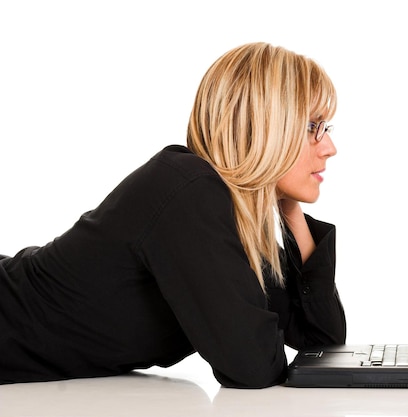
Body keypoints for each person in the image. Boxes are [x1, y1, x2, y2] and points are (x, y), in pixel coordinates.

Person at [0, 42, 346, 388]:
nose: (329, 147)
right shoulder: (190, 191)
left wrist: (288, 206)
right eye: (310, 126)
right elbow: (252, 366)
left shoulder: (229, 219)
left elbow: (323, 344)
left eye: (325, 127)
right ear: (262, 127)